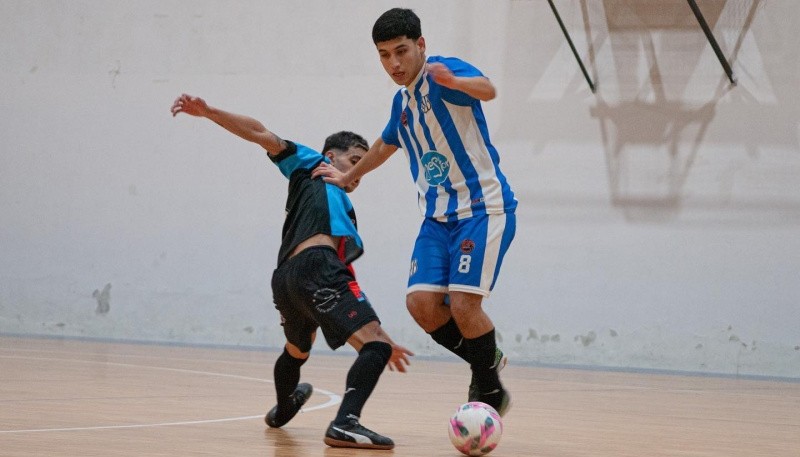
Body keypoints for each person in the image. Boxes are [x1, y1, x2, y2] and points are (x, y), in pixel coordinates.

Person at [171, 93, 413, 450]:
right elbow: (261, 133)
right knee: (373, 348)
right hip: (314, 268)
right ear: (331, 157)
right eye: (354, 161)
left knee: (298, 350)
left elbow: (345, 275)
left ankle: (283, 409)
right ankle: (345, 424)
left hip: (288, 278)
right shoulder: (310, 164)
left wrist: (382, 334)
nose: (357, 172)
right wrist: (209, 112)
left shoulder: (341, 208)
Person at [313, 8, 516, 416]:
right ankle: (487, 361)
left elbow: (488, 90)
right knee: (421, 305)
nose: (394, 63)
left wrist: (457, 82)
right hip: (436, 219)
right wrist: (352, 177)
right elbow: (386, 144)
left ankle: (489, 388)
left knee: (463, 304)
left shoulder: (443, 73)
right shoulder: (401, 103)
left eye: (401, 51)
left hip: (481, 209)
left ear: (420, 45)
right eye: (384, 55)